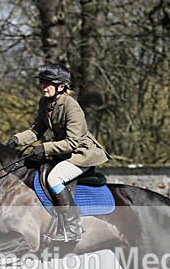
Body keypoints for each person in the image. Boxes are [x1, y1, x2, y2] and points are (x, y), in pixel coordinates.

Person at [8, 63, 109, 243]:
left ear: (61, 87)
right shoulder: (45, 102)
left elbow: (72, 142)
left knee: (54, 178)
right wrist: (16, 139)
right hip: (64, 153)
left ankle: (73, 227)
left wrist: (44, 148)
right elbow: (36, 130)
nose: (43, 86)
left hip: (81, 154)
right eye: (42, 82)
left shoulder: (71, 106)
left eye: (47, 83)